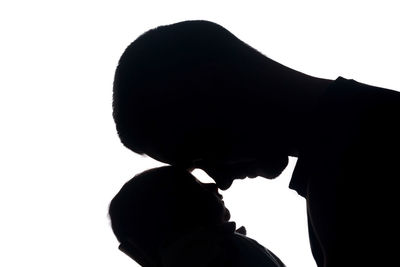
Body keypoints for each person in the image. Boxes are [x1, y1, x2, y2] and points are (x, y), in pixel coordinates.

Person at [112, 20, 400, 266]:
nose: (220, 181)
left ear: (217, 89)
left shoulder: (356, 169)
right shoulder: (356, 144)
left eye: (201, 154)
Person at [109, 166, 285, 267]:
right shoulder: (198, 257)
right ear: (177, 209)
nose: (213, 185)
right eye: (197, 186)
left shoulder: (225, 244)